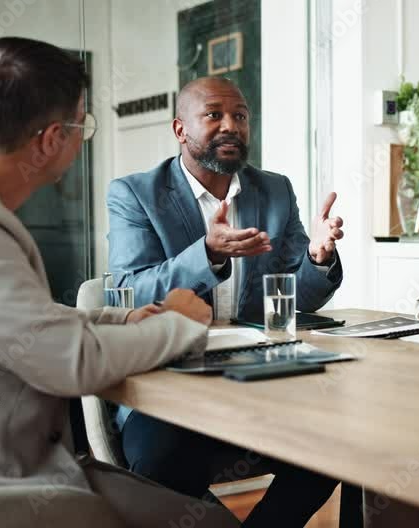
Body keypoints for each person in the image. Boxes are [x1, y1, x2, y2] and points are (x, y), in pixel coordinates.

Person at [0, 37, 237, 528]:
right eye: (82, 126)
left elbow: (23, 325)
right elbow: (69, 361)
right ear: (51, 139)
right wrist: (181, 322)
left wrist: (126, 317)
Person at [105, 77, 344, 525]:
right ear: (180, 129)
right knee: (161, 464)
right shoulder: (135, 194)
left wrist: (316, 256)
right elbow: (130, 291)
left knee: (338, 446)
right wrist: (208, 254)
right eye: (214, 114)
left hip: (256, 382)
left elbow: (292, 297)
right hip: (168, 386)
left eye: (240, 116)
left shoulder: (273, 190)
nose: (230, 125)